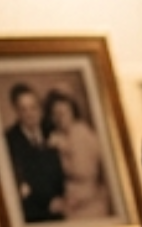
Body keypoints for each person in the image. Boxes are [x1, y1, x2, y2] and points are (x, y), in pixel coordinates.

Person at [3, 83, 65, 223]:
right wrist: (48, 202)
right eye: (24, 109)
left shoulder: (52, 129)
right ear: (16, 112)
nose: (30, 114)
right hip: (35, 212)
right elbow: (20, 182)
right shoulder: (9, 140)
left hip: (64, 203)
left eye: (33, 107)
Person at [46, 89, 112, 219]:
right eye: (55, 114)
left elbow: (83, 171)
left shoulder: (81, 133)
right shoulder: (58, 136)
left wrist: (64, 149)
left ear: (72, 112)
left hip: (89, 203)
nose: (59, 118)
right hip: (71, 202)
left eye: (63, 113)